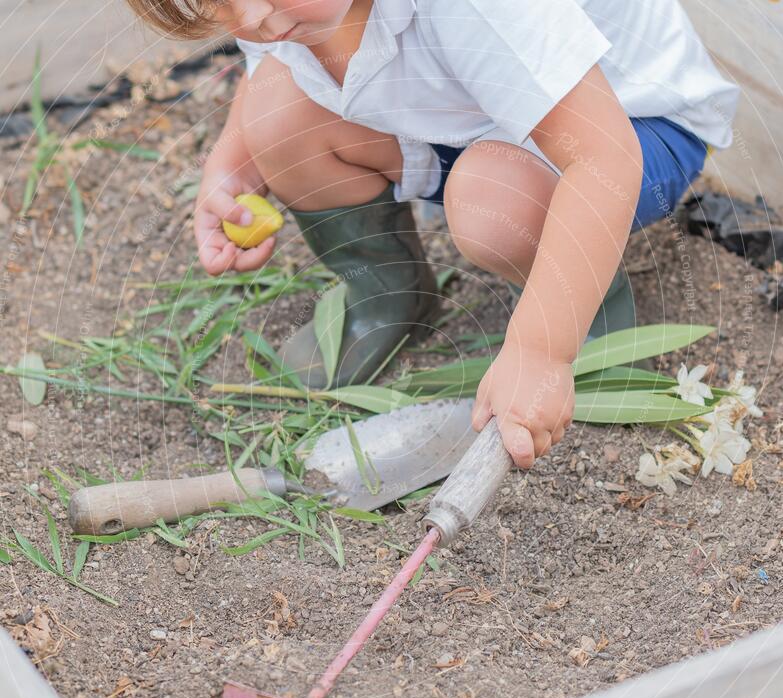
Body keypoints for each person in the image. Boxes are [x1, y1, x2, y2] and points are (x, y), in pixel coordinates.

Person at [126, 0, 739, 468]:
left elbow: (605, 160)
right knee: (278, 117)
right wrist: (236, 163)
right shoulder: (284, 13)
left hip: (632, 126)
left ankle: (589, 310)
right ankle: (390, 294)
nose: (254, 17)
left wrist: (538, 350)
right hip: (476, 116)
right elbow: (269, 68)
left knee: (487, 197)